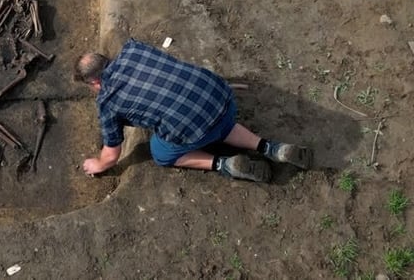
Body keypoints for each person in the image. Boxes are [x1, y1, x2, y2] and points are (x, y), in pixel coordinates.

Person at [74, 38, 313, 182]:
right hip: (222, 97)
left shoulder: (108, 102)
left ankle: (224, 164)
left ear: (94, 83)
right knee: (218, 122)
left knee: (161, 153)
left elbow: (111, 155)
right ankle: (271, 148)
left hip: (196, 127)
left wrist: (97, 164)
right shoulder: (134, 49)